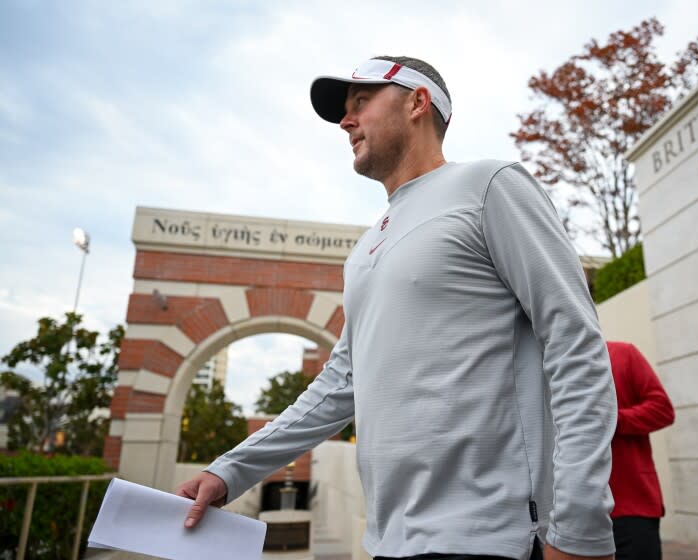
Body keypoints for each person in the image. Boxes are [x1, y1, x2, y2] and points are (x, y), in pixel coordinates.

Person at [177, 56, 618, 560]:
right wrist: (229, 469)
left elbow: (575, 343)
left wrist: (578, 524)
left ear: (417, 101)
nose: (346, 121)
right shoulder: (366, 248)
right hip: (389, 543)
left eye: (361, 102)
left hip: (496, 539)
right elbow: (340, 384)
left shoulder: (491, 185)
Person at [605, 342, 675, 560]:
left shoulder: (623, 353)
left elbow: (663, 409)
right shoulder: (541, 367)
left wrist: (612, 420)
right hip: (574, 514)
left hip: (632, 506)